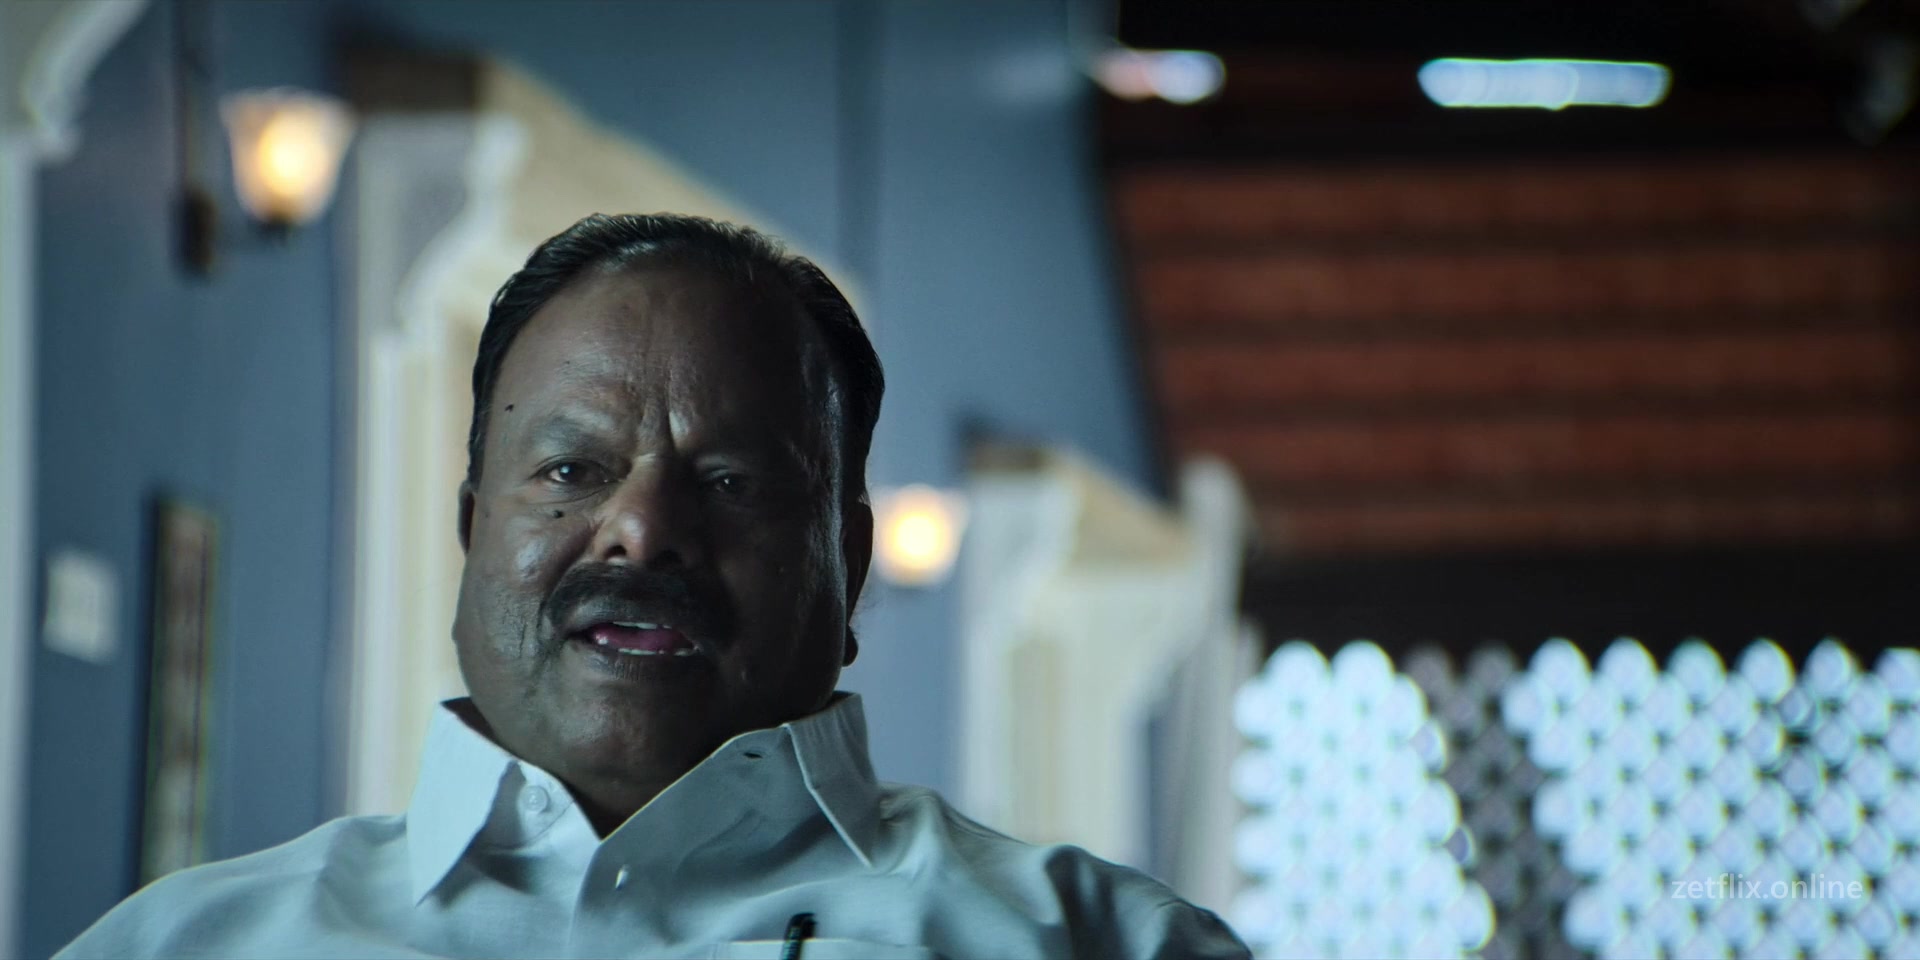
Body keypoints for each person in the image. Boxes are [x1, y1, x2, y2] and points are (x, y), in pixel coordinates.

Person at [57, 213, 1251, 960]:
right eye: (571, 470)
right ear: (473, 533)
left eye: (730, 481)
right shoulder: (185, 946)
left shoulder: (1098, 946)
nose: (640, 529)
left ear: (849, 566)